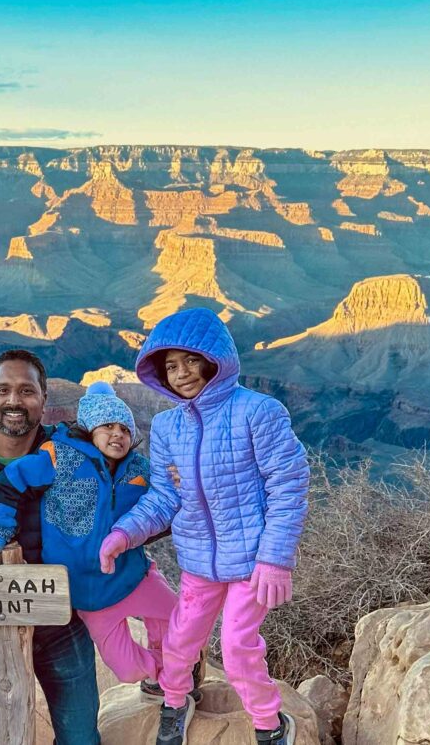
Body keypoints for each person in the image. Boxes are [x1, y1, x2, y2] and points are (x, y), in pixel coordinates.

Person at [100, 307, 310, 745]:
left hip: (252, 561)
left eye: (191, 360)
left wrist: (276, 558)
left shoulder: (258, 411)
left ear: (215, 359)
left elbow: (288, 485)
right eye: (170, 366)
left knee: (236, 647)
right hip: (198, 561)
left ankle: (270, 724)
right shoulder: (167, 426)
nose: (181, 374)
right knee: (180, 639)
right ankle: (176, 700)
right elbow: (164, 497)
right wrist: (123, 534)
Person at [0, 381, 181, 701]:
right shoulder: (60, 456)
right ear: (89, 429)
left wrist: (180, 485)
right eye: (107, 426)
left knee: (181, 623)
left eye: (125, 429)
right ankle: (163, 673)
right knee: (127, 670)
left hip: (134, 575)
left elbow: (164, 506)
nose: (117, 434)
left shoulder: (140, 470)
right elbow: (8, 482)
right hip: (88, 593)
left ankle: (174, 680)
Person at [0, 349, 101, 745]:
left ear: (44, 399)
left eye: (27, 391)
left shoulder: (73, 457)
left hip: (62, 623)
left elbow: (121, 504)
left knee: (81, 737)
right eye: (3, 390)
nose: (14, 400)